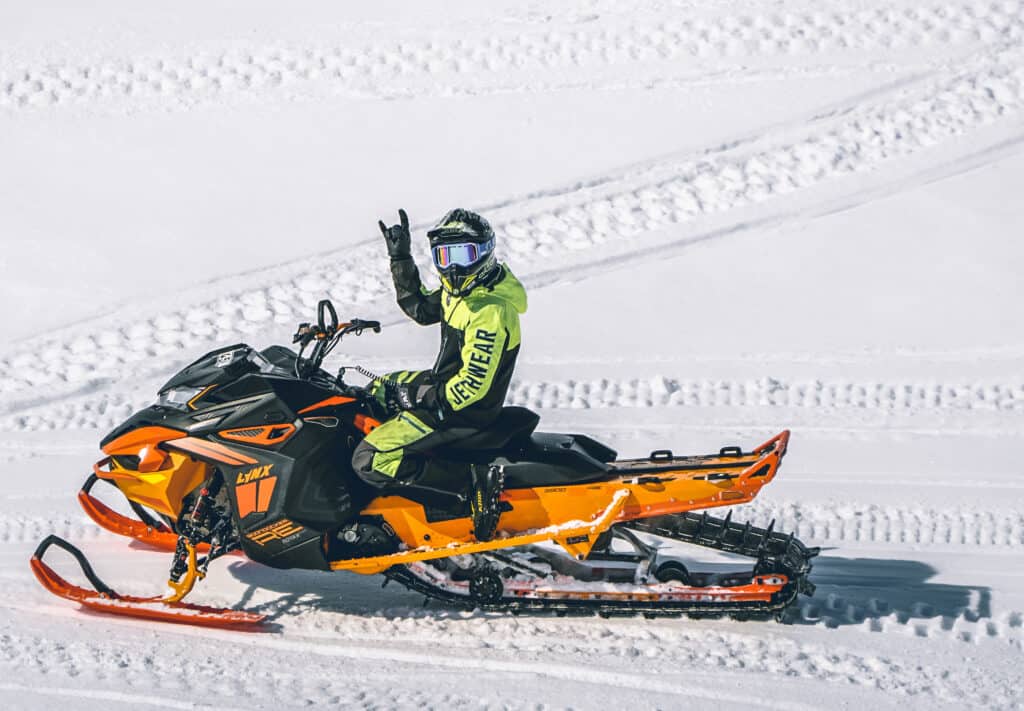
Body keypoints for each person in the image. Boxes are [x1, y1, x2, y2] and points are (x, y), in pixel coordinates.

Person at [351, 208, 528, 541]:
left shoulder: (489, 310)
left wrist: (420, 397)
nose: (453, 267)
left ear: (484, 254)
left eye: (463, 255)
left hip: (463, 410)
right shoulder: (460, 294)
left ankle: (469, 483)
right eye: (445, 256)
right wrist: (400, 258)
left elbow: (472, 385)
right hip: (445, 390)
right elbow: (420, 308)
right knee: (373, 392)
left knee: (370, 459)